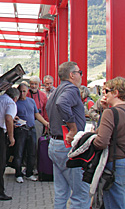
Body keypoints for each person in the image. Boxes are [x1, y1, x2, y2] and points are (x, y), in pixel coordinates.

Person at [45, 61, 90, 209]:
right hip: (68, 146)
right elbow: (62, 103)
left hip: (55, 144)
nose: (81, 76)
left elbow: (53, 106)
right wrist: (72, 128)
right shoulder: (71, 89)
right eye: (80, 72)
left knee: (61, 192)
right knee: (80, 193)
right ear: (72, 75)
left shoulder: (56, 91)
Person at [92, 77, 125, 209]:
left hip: (115, 164)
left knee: (114, 204)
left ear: (116, 92)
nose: (105, 94)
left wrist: (89, 141)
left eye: (106, 91)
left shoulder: (110, 113)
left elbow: (101, 142)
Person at [14, 83, 50, 183]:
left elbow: (37, 114)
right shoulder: (15, 103)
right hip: (21, 130)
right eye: (20, 91)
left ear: (27, 91)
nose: (22, 93)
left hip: (31, 129)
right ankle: (18, 173)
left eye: (24, 91)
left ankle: (29, 173)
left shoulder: (31, 101)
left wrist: (46, 123)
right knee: (19, 152)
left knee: (32, 152)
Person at [28, 76, 48, 141]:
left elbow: (45, 111)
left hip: (39, 122)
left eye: (36, 84)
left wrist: (46, 125)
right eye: (32, 84)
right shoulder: (25, 93)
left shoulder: (43, 95)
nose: (34, 86)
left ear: (39, 84)